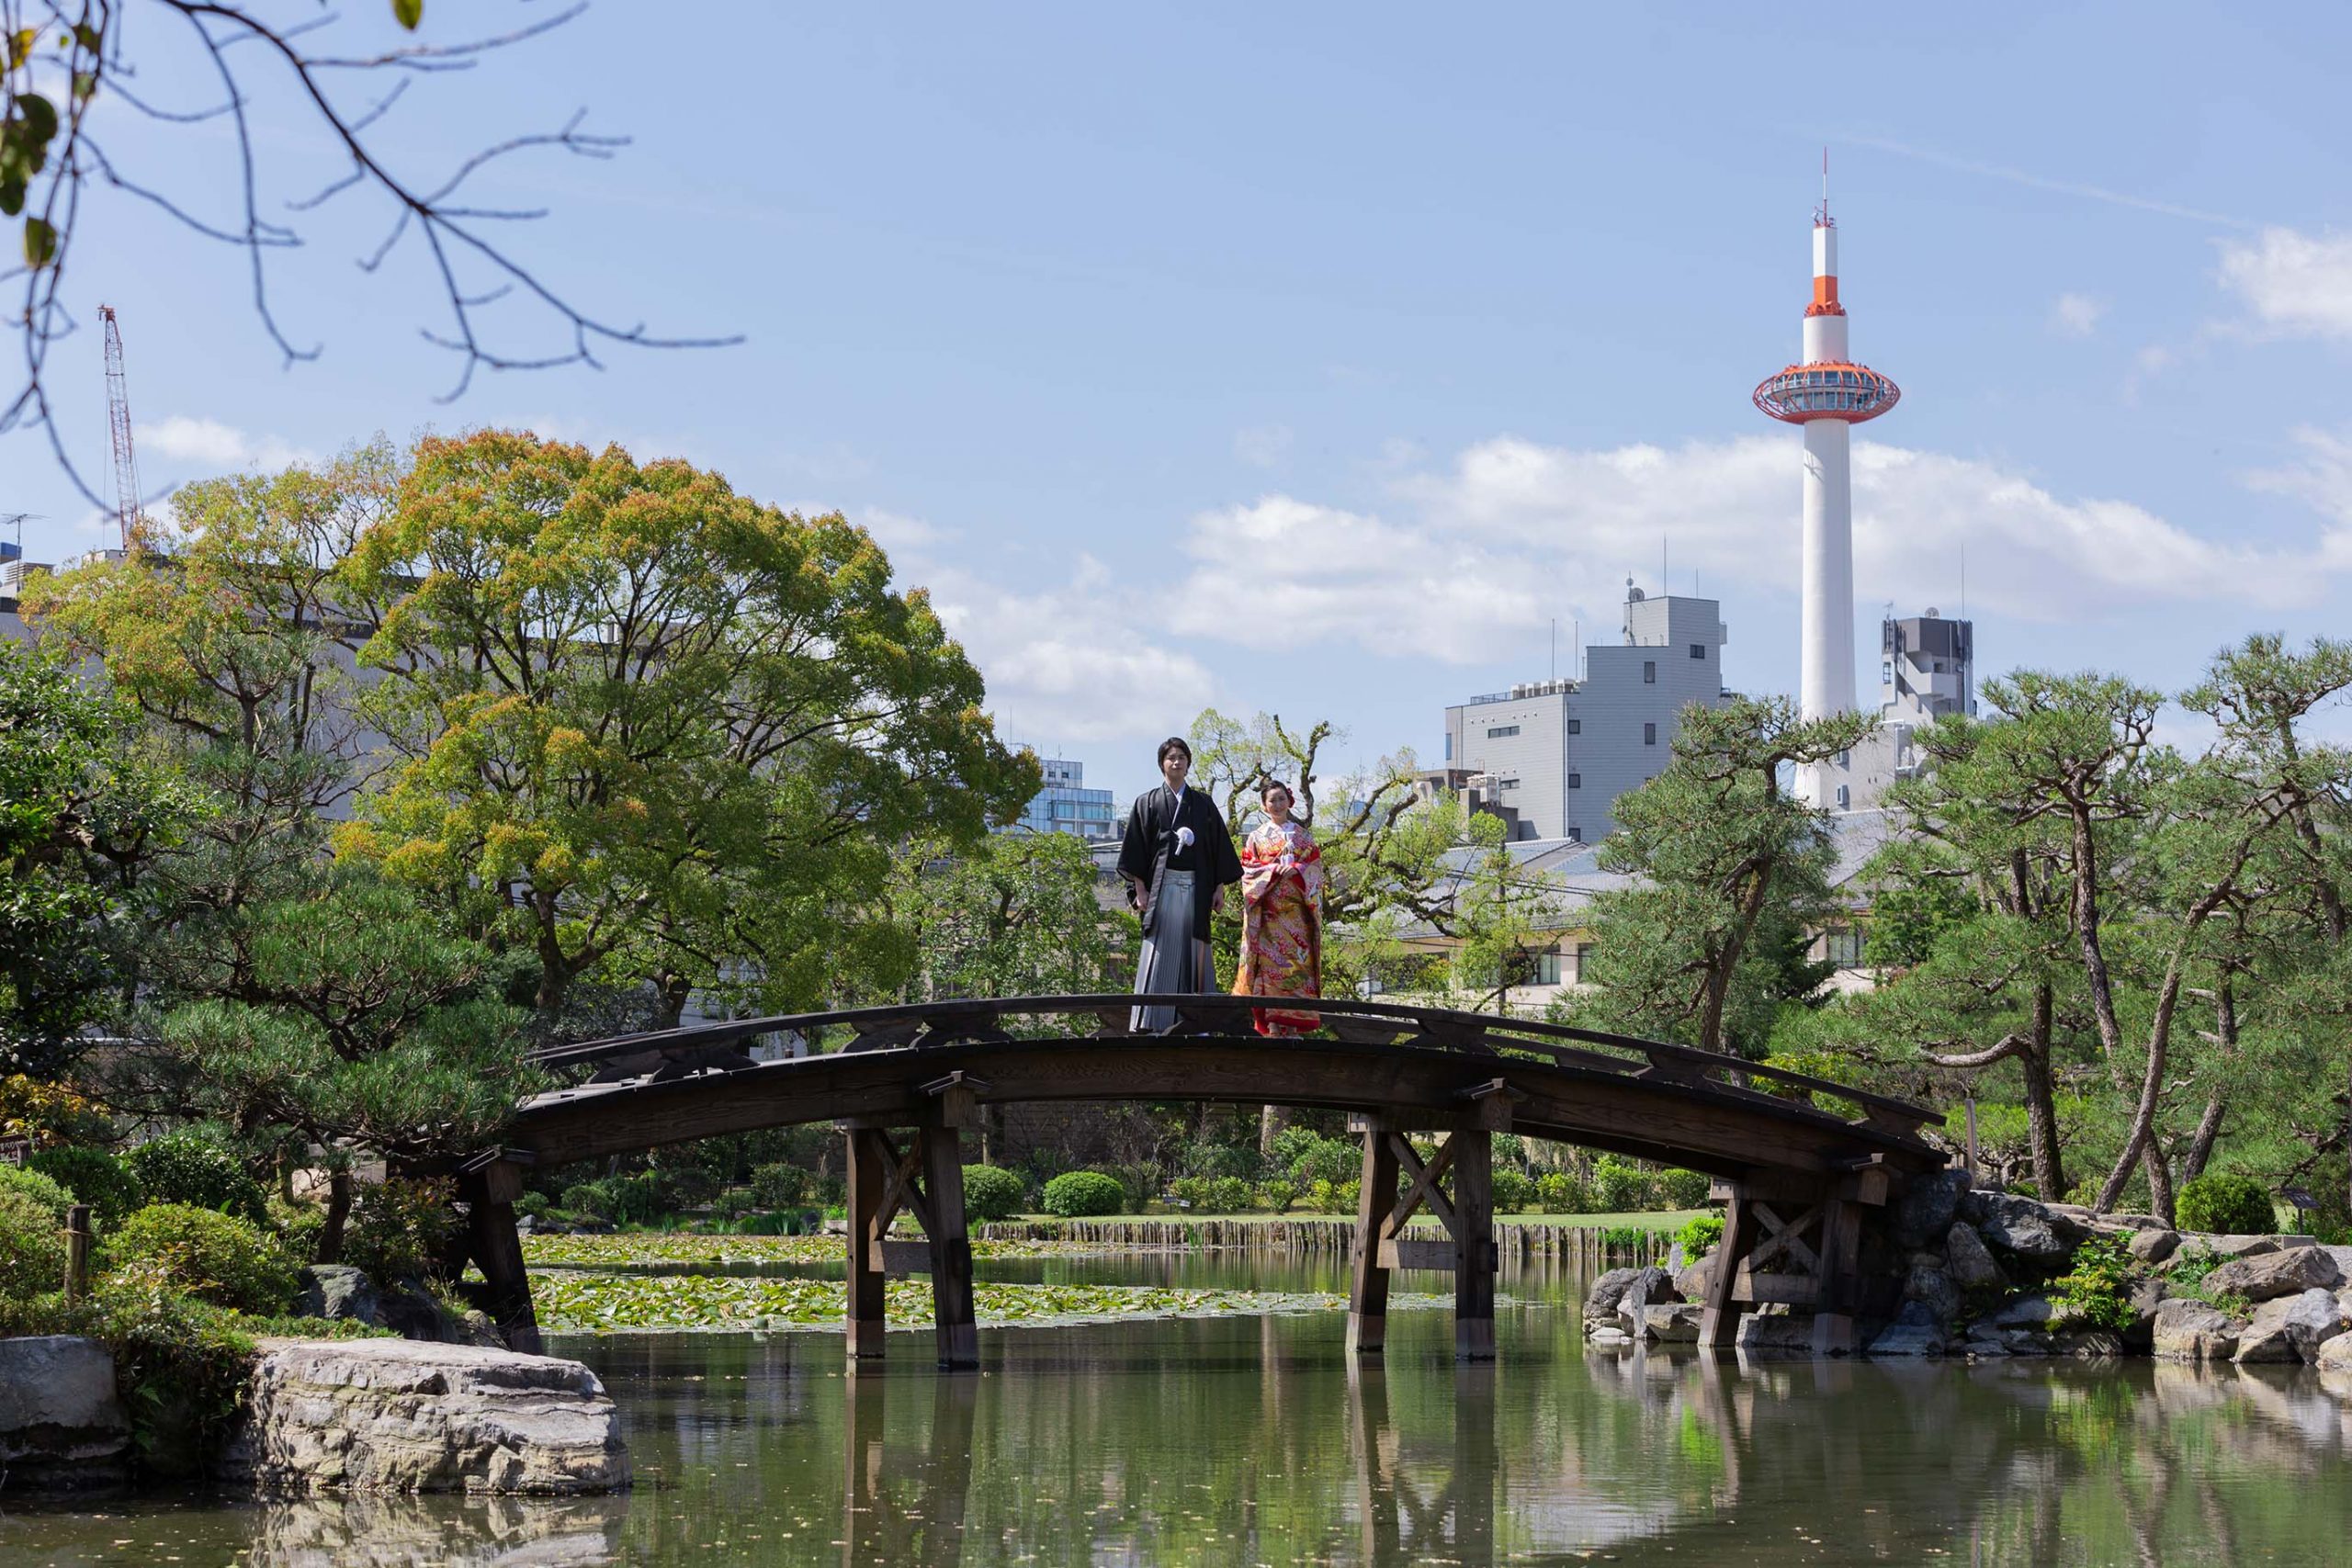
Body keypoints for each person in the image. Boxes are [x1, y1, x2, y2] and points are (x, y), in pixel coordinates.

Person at [1116, 737, 1242, 1031]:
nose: (1176, 761)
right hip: (1161, 889)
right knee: (1159, 949)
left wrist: (1219, 887)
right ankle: (1151, 1020)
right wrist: (1140, 889)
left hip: (1197, 889)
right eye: (1171, 757)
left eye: (1182, 757)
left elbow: (1217, 848)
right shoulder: (1147, 803)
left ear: (1188, 763)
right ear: (1162, 763)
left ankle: (1200, 1022)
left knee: (1196, 951)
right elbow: (1136, 848)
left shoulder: (1203, 805)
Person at [1233, 779, 1323, 1035]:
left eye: (1281, 798)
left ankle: (1294, 1025)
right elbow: (1248, 872)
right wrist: (1273, 870)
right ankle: (1272, 1023)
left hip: (1297, 916)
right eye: (1272, 800)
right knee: (1271, 968)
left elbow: (1315, 870)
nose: (1277, 804)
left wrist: (1296, 870)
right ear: (1264, 805)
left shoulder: (1303, 836)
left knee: (1298, 968)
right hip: (1270, 916)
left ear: (1290, 801)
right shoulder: (1256, 837)